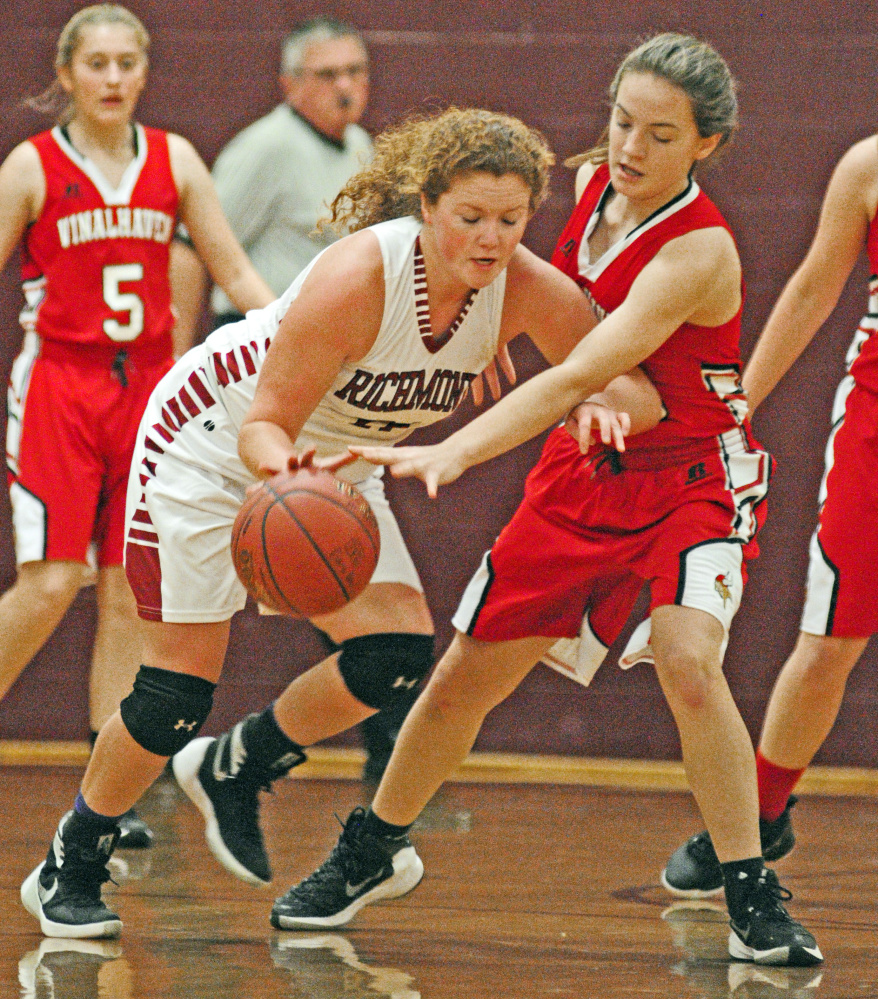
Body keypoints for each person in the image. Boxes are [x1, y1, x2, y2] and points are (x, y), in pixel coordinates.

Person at [19, 105, 659, 940]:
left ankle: (239, 762)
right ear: (426, 205)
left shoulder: (529, 288)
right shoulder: (360, 278)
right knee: (177, 690)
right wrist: (291, 482)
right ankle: (71, 858)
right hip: (211, 442)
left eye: (510, 220)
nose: (491, 238)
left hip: (335, 463)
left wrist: (595, 405)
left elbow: (634, 387)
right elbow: (263, 425)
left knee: (395, 652)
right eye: (470, 216)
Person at [267, 35, 824, 969]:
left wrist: (453, 447)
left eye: (661, 135)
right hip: (586, 474)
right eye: (622, 121)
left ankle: (750, 889)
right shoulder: (589, 187)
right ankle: (373, 849)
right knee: (461, 678)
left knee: (690, 661)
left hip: (692, 477)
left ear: (707, 145)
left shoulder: (699, 250)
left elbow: (578, 370)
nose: (631, 147)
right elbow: (538, 312)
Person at [0, 3, 274, 844]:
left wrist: (302, 334)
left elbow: (235, 273)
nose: (113, 78)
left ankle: (102, 797)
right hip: (61, 385)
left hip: (150, 394)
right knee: (53, 582)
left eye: (127, 63)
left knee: (128, 591)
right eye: (97, 63)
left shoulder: (175, 158)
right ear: (66, 73)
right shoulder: (33, 165)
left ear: (146, 71)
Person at [170, 17, 403, 781]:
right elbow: (193, 247)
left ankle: (385, 747)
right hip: (256, 370)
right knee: (305, 546)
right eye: (328, 74)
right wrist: (176, 359)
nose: (346, 86)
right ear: (290, 84)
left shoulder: (362, 149)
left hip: (329, 378)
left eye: (356, 70)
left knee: (331, 550)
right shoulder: (264, 148)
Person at [661, 134, 878, 896]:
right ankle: (761, 810)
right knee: (828, 643)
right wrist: (737, 403)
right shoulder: (868, 165)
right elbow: (814, 288)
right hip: (875, 424)